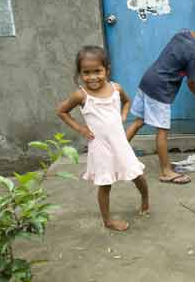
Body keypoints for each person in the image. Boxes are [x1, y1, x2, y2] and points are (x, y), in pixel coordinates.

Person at [126, 18, 195, 184]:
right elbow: (191, 82)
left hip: (148, 80)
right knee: (162, 131)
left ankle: (116, 155)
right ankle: (166, 171)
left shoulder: (182, 34)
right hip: (161, 89)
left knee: (139, 121)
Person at [57, 46, 149, 231]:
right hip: (100, 147)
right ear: (80, 73)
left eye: (97, 71)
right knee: (105, 184)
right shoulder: (81, 95)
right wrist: (81, 129)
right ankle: (108, 221)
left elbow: (127, 101)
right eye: (86, 72)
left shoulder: (116, 88)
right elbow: (62, 111)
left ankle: (145, 199)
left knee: (137, 175)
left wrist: (124, 114)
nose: (92, 77)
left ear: (107, 69)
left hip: (120, 144)